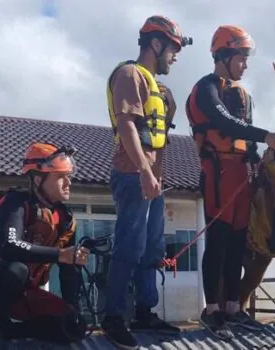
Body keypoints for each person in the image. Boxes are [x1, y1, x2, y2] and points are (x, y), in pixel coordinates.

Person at [185, 24, 275, 340]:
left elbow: (247, 134)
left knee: (236, 243)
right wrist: (266, 136)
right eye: (241, 58)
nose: (245, 64)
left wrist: (258, 158)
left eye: (246, 58)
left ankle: (233, 308)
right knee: (217, 241)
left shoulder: (243, 95)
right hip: (218, 174)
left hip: (242, 174)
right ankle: (212, 310)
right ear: (225, 54)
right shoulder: (206, 88)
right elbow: (222, 122)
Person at [101, 15, 192, 350]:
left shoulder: (158, 87)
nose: (175, 56)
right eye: (173, 48)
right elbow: (126, 126)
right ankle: (113, 318)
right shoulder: (129, 75)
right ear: (155, 44)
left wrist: (156, 177)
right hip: (132, 174)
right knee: (129, 246)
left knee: (152, 248)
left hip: (153, 181)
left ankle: (143, 312)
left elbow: (158, 139)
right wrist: (143, 170)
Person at [0, 142, 89, 350]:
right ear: (38, 179)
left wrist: (72, 310)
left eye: (69, 176)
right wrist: (60, 255)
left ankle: (12, 332)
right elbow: (8, 246)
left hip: (24, 292)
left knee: (73, 327)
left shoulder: (66, 219)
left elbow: (69, 272)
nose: (68, 183)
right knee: (15, 268)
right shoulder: (16, 202)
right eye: (61, 177)